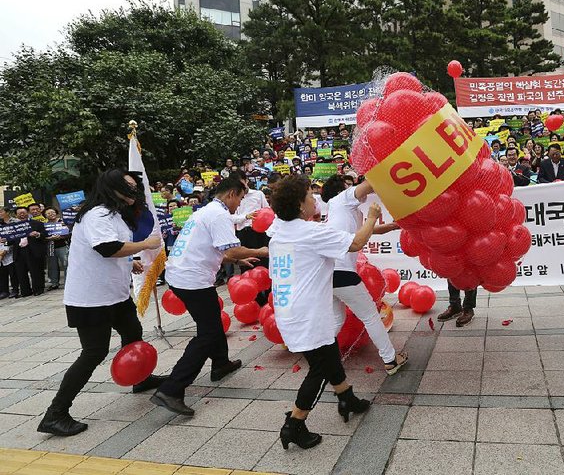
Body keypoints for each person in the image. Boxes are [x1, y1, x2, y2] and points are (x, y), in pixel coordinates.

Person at [37, 169, 165, 436]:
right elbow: (107, 248)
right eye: (128, 187)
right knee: (93, 352)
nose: (134, 193)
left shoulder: (116, 214)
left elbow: (115, 249)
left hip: (115, 295)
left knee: (133, 334)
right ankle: (55, 413)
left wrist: (132, 261)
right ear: (112, 188)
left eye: (135, 187)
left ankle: (139, 379)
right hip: (90, 299)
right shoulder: (98, 214)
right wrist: (144, 244)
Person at [269, 175, 379, 450]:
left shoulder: (279, 230)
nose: (313, 200)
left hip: (290, 310)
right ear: (298, 204)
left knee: (329, 355)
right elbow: (355, 244)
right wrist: (372, 217)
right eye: (309, 195)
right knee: (318, 370)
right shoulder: (310, 232)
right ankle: (295, 423)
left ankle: (347, 398)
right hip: (307, 315)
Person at [151, 178, 269, 416]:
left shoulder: (206, 212)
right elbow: (231, 249)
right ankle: (172, 389)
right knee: (208, 333)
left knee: (212, 320)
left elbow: (214, 249)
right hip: (192, 280)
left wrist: (237, 259)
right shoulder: (218, 215)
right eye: (241, 199)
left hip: (183, 275)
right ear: (232, 194)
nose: (240, 205)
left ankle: (221, 363)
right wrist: (260, 251)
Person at [321, 175, 408, 374]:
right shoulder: (342, 199)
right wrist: (387, 171)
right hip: (343, 272)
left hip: (329, 274)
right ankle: (391, 360)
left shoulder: (343, 211)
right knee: (371, 317)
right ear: (342, 190)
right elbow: (370, 184)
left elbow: (370, 231)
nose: (354, 188)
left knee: (336, 320)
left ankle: (322, 358)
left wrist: (394, 226)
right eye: (349, 185)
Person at [11, 206, 47, 297]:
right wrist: (6, 240)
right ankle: (25, 291)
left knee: (35, 271)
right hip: (19, 251)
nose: (22, 215)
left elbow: (44, 235)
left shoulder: (37, 223)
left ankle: (38, 289)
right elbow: (10, 239)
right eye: (19, 213)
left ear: (28, 213)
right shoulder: (13, 227)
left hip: (32, 250)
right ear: (16, 215)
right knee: (21, 272)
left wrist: (37, 234)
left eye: (23, 213)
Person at [44, 207, 70, 290]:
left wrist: (62, 236)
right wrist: (49, 238)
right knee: (52, 265)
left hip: (62, 245)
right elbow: (43, 236)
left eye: (53, 212)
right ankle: (54, 283)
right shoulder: (45, 224)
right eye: (48, 213)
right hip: (51, 246)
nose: (51, 214)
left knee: (66, 263)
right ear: (45, 215)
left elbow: (69, 232)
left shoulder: (63, 222)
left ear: (56, 213)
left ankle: (68, 283)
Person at [0, 208, 19, 299]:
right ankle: (4, 291)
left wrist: (6, 248)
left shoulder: (14, 222)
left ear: (7, 212)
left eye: (1, 212)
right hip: (1, 250)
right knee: (2, 273)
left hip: (12, 250)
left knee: (13, 273)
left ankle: (15, 289)